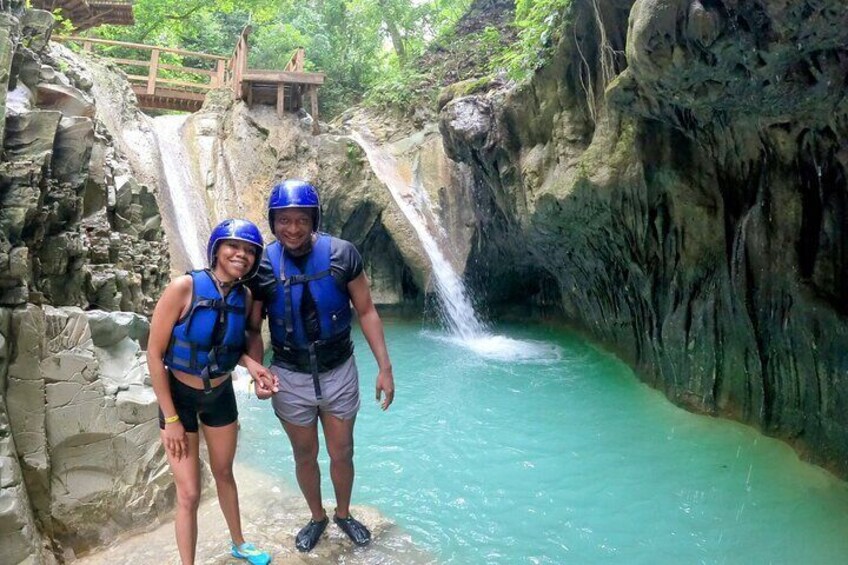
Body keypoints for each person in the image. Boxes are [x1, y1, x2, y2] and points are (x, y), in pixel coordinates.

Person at [248, 179, 395, 552]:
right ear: (273, 221)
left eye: (301, 220)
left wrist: (385, 367)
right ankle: (317, 517)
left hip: (338, 369)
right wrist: (257, 371)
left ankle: (343, 513)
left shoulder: (343, 254)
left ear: (314, 219)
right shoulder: (263, 264)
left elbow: (366, 310)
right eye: (284, 220)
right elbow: (253, 327)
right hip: (289, 374)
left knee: (342, 450)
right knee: (304, 453)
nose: (292, 229)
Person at [147, 219, 275, 565]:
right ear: (217, 248)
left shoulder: (244, 296)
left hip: (220, 396)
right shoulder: (183, 288)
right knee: (188, 492)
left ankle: (239, 542)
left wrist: (252, 365)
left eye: (250, 251)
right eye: (234, 247)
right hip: (179, 400)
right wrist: (171, 418)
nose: (241, 255)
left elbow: (230, 348)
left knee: (224, 472)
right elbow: (155, 355)